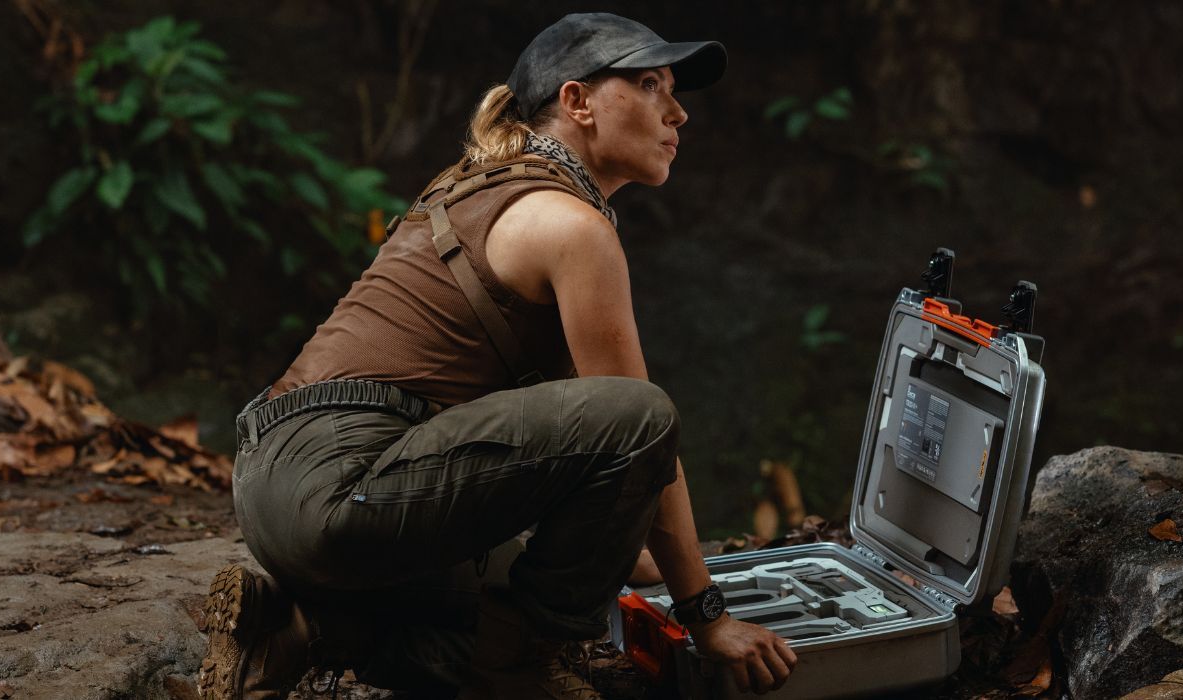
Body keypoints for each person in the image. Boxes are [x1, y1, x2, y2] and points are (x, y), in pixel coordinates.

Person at [197, 12, 797, 700]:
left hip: (279, 486)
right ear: (577, 102)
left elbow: (556, 444)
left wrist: (623, 553)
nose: (679, 112)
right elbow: (636, 432)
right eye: (651, 84)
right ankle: (520, 666)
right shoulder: (570, 225)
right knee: (643, 417)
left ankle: (296, 630)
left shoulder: (482, 184)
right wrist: (706, 616)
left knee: (506, 588)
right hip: (342, 482)